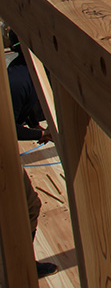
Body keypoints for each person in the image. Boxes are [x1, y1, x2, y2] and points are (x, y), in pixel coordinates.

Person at [6, 31, 59, 278]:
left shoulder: (23, 72)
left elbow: (23, 106)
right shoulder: (18, 80)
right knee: (28, 207)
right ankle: (22, 268)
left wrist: (33, 124)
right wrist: (40, 135)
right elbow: (6, 124)